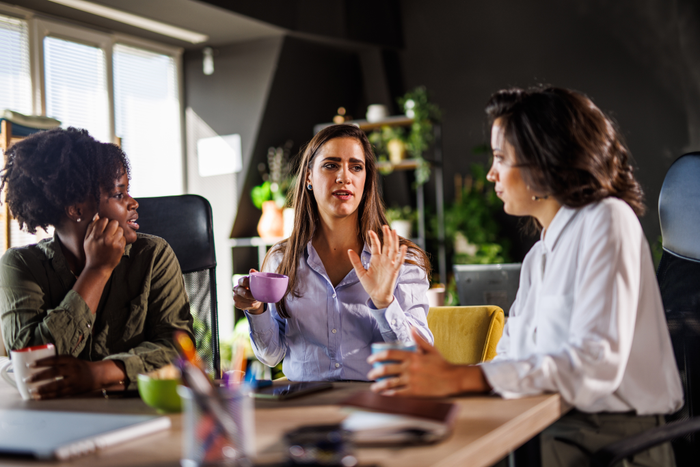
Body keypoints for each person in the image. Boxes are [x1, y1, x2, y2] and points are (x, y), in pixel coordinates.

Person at [367, 87, 683, 466]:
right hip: (549, 424)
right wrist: (446, 378)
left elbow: (596, 362)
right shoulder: (538, 259)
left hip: (613, 439)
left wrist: (465, 380)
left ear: (543, 161)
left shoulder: (608, 220)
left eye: (501, 157)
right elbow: (509, 355)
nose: (490, 173)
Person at [0, 127, 194, 399]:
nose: (133, 202)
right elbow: (32, 369)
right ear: (77, 209)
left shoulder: (153, 256)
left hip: (139, 417)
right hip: (54, 420)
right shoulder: (20, 267)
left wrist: (97, 374)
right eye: (119, 194)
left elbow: (180, 350)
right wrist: (97, 271)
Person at [233, 124, 433, 381]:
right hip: (304, 402)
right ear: (308, 177)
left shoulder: (400, 260)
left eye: (356, 167)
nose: (344, 177)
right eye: (331, 165)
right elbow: (272, 355)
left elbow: (420, 356)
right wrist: (257, 309)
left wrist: (385, 302)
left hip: (378, 403)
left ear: (366, 179)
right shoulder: (282, 259)